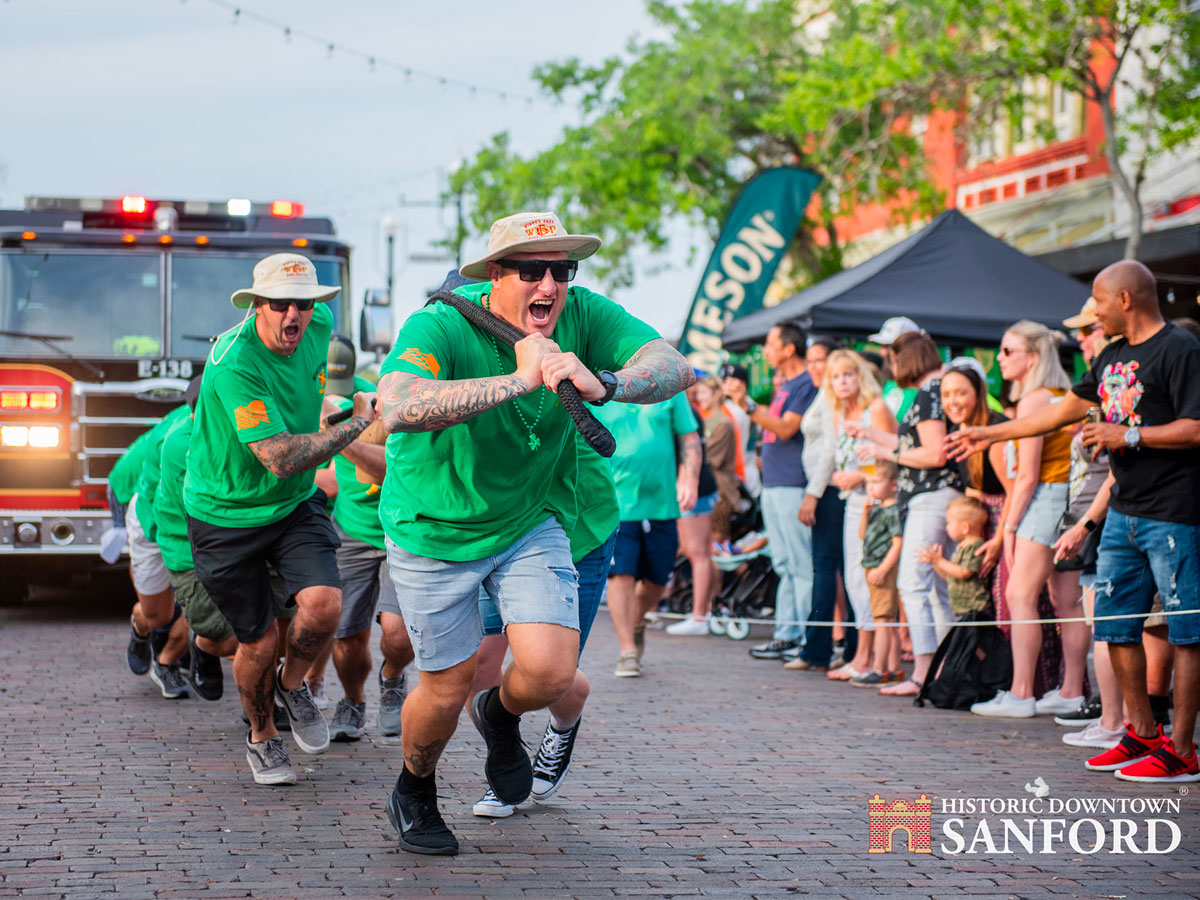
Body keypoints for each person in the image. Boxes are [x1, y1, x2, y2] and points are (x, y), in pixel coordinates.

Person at [374, 211, 694, 854]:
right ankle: (414, 788)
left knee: (550, 673)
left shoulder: (584, 314)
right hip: (435, 529)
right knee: (445, 688)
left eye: (561, 270)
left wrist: (608, 382)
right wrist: (517, 379)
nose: (549, 283)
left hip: (528, 521)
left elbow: (673, 363)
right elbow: (397, 404)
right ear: (495, 275)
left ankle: (501, 715)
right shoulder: (441, 323)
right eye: (531, 270)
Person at [947, 260, 1200, 783]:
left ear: (1126, 300)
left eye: (1100, 304)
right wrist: (990, 434)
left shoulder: (1180, 349)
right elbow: (1061, 411)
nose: (1094, 315)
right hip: (1121, 514)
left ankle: (1182, 750)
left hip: (1175, 513)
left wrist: (1126, 437)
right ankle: (1142, 734)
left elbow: (1195, 427)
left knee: (1186, 632)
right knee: (1114, 625)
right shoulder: (1110, 355)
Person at [184, 253, 378, 786]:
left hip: (292, 504)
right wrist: (359, 423)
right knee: (260, 643)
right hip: (226, 515)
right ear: (256, 306)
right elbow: (280, 456)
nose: (295, 314)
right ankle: (262, 734)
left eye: (304, 301)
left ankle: (294, 686)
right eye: (280, 303)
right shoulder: (234, 361)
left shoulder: (321, 324)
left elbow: (311, 399)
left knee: (323, 606)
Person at [968, 320, 1088, 719]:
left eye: (1007, 351)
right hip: (1066, 498)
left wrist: (1011, 528)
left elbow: (1028, 475)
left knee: (1021, 595)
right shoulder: (1058, 395)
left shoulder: (1036, 401)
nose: (999, 359)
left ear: (1032, 357)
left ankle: (1022, 693)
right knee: (1065, 600)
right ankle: (1070, 690)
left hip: (1045, 498)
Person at [849, 331, 963, 696]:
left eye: (894, 360)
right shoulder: (930, 393)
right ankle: (944, 668)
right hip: (932, 496)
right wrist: (871, 435)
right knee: (935, 589)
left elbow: (933, 455)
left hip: (931, 496)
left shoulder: (930, 394)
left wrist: (886, 454)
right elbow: (914, 444)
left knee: (913, 584)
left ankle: (924, 672)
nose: (892, 367)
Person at [320, 334, 416, 743]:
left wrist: (343, 439)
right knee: (347, 634)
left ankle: (393, 677)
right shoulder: (303, 399)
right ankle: (353, 701)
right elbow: (319, 476)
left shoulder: (383, 400)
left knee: (398, 631)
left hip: (400, 527)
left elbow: (388, 471)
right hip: (352, 530)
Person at [724, 323, 819, 661]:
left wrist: (746, 404)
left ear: (788, 349)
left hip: (794, 485)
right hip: (776, 485)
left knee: (799, 565)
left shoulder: (806, 384)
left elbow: (787, 427)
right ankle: (787, 635)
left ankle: (808, 639)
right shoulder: (790, 385)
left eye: (770, 343)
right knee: (783, 563)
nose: (765, 350)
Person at [824, 349, 896, 682]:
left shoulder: (876, 408)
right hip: (852, 500)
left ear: (860, 377)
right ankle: (862, 654)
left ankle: (867, 657)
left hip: (878, 501)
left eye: (848, 375)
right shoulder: (840, 413)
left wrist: (861, 478)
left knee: (866, 577)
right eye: (836, 376)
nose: (842, 382)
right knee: (853, 577)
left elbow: (894, 458)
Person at [124, 403, 193, 698]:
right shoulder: (178, 438)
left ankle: (167, 662)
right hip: (154, 517)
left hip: (197, 523)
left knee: (207, 602)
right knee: (157, 616)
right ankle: (142, 628)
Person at [785, 336, 845, 671]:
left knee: (824, 567)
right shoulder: (823, 394)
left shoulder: (833, 397)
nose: (813, 368)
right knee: (829, 568)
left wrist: (813, 492)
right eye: (809, 361)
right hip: (823, 488)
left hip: (828, 489)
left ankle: (818, 650)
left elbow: (830, 450)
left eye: (819, 360)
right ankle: (831, 646)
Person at [940, 364, 1012, 611]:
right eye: (946, 395)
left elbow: (1014, 490)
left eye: (960, 393)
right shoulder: (955, 431)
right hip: (982, 518)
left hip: (1007, 515)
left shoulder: (997, 428)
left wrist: (1000, 538)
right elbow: (973, 488)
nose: (953, 402)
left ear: (978, 394)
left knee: (1006, 592)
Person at [851, 460, 904, 687]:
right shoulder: (877, 509)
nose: (870, 487)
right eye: (868, 482)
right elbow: (862, 535)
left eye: (876, 482)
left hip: (882, 570)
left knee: (882, 620)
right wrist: (865, 513)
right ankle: (895, 668)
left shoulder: (893, 511)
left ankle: (879, 667)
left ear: (894, 485)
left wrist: (883, 569)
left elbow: (897, 543)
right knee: (886, 619)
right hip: (871, 566)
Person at [920, 496, 992, 619]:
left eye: (949, 523)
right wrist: (935, 563)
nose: (946, 527)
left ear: (965, 527)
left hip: (976, 611)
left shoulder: (976, 547)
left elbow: (964, 573)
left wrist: (940, 561)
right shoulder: (960, 548)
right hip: (962, 611)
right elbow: (950, 577)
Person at [869, 316, 921, 420]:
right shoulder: (889, 384)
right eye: (882, 346)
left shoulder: (923, 386)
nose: (883, 352)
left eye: (888, 347)